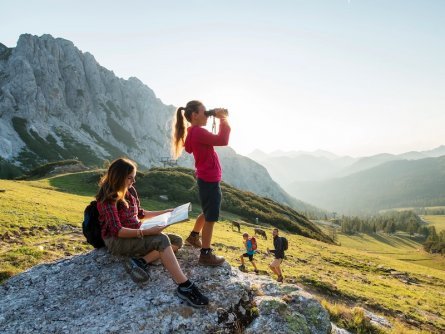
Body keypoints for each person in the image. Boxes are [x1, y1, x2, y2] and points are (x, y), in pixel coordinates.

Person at [96, 158, 208, 307]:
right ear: (118, 177)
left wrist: (167, 212)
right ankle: (184, 286)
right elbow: (117, 231)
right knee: (161, 240)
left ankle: (140, 262)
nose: (133, 181)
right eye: (130, 178)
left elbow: (140, 213)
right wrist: (146, 232)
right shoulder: (107, 197)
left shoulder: (130, 191)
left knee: (177, 241)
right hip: (117, 240)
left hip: (136, 232)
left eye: (134, 177)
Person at [171, 100, 231, 266]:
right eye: (204, 112)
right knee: (211, 216)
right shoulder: (197, 132)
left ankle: (194, 236)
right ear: (194, 115)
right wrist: (223, 119)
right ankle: (205, 254)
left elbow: (192, 147)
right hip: (209, 179)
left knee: (207, 210)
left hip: (205, 178)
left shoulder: (192, 132)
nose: (207, 115)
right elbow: (223, 140)